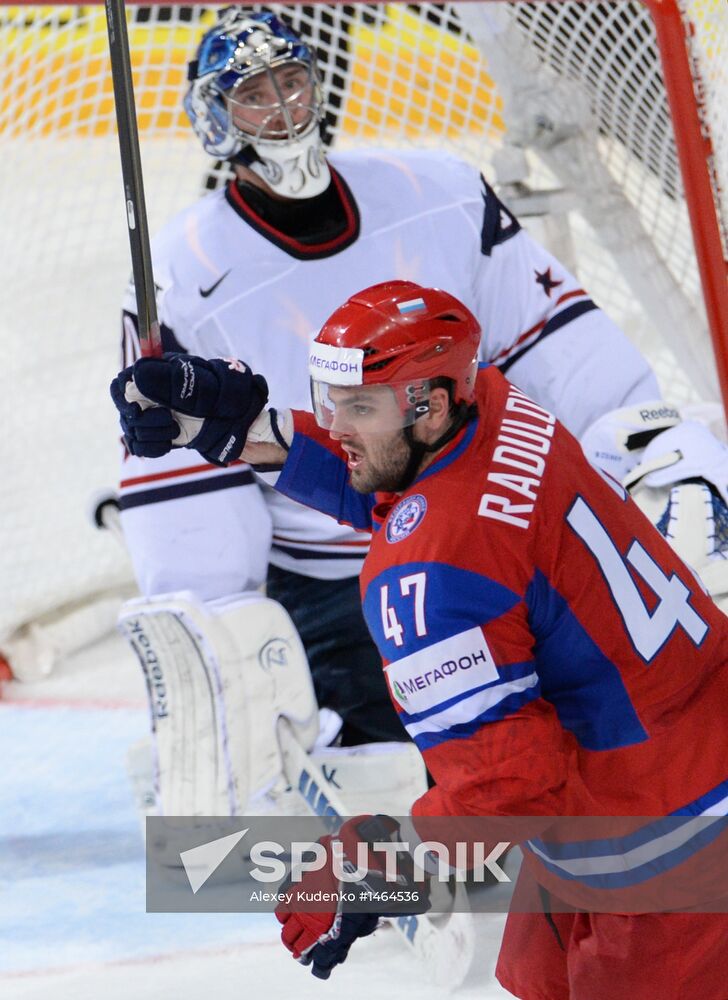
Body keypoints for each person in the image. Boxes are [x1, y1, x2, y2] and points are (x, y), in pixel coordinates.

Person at [118, 7, 728, 787]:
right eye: (253, 94)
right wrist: (213, 619)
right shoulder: (180, 270)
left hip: (480, 538)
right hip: (335, 582)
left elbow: (569, 359)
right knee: (392, 791)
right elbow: (193, 480)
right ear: (215, 118)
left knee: (517, 785)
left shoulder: (437, 193)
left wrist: (639, 457)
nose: (282, 109)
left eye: (292, 82)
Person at [111, 279, 728, 998]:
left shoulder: (427, 585)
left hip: (670, 846)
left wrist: (371, 867)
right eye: (330, 400)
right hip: (656, 764)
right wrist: (238, 425)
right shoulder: (498, 404)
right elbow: (422, 494)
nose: (338, 424)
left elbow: (508, 789)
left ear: (432, 404)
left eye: (359, 407)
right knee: (533, 978)